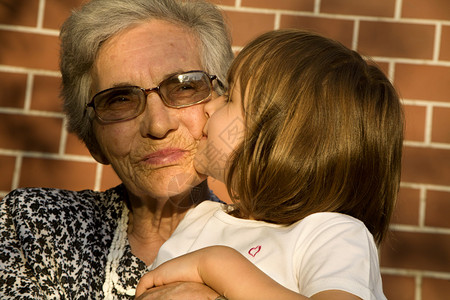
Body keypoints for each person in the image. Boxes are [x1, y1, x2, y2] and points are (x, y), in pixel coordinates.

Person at [135, 29, 404, 299]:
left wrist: (214, 264)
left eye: (230, 99)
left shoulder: (333, 235)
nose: (210, 106)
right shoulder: (199, 222)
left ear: (287, 145)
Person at [0, 0, 234, 298]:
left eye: (183, 87)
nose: (157, 126)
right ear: (94, 138)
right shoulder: (34, 226)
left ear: (222, 105)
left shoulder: (280, 244)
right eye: (121, 99)